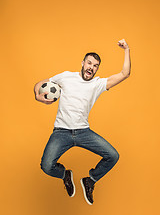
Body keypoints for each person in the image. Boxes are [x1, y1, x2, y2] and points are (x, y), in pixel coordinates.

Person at [34, 39, 131, 205]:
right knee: (46, 166)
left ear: (97, 69)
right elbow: (40, 84)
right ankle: (65, 175)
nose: (91, 67)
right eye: (89, 63)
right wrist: (38, 96)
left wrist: (127, 49)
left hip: (83, 132)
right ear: (83, 63)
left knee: (113, 156)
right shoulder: (65, 77)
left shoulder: (98, 84)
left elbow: (124, 74)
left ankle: (90, 180)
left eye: (95, 66)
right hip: (61, 132)